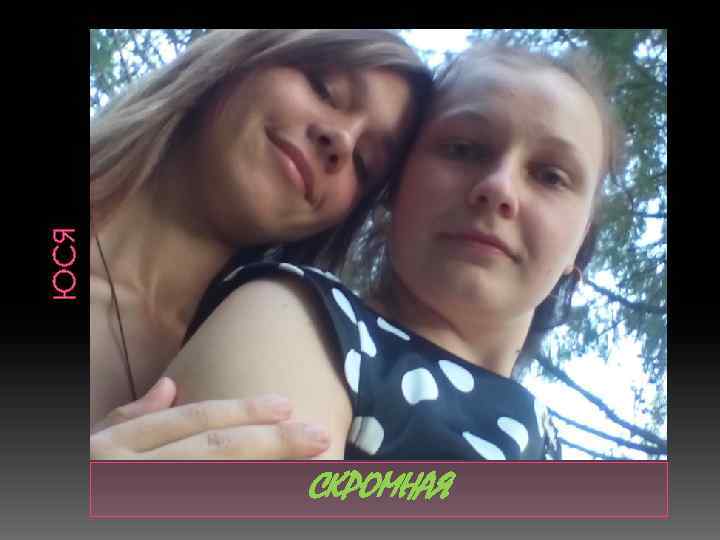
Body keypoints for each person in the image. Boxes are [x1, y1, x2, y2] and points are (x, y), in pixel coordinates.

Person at [163, 40, 625, 460]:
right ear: (395, 188)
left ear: (580, 242)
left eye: (550, 176)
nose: (499, 188)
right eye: (463, 149)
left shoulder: (548, 445)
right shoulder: (299, 318)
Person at [90, 29, 433, 458]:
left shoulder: (275, 370)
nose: (343, 142)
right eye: (324, 89)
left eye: (365, 164)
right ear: (241, 57)